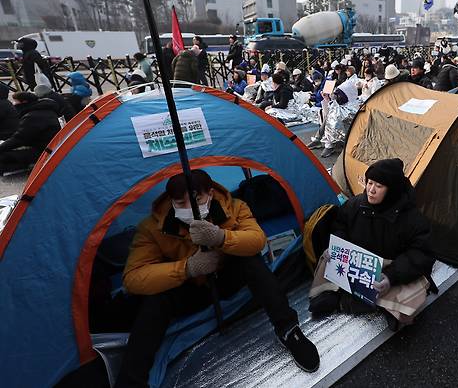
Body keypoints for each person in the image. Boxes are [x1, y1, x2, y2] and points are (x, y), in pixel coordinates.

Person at [115, 169, 319, 386]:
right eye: (179, 202)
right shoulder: (153, 227)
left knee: (250, 260)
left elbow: (257, 240)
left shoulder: (235, 207)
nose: (188, 208)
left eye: (195, 199)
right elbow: (132, 278)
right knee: (155, 301)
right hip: (189, 289)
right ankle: (131, 380)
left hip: (227, 279)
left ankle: (288, 329)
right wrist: (187, 268)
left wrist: (222, 237)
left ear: (210, 194)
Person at [308, 158, 435, 329]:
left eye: (379, 186)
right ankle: (336, 296)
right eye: (369, 183)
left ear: (392, 190)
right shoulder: (355, 205)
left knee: (414, 289)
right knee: (327, 255)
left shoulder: (411, 218)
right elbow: (339, 226)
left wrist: (391, 277)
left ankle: (350, 301)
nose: (371, 190)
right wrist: (339, 247)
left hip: (389, 267)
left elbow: (421, 253)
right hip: (358, 262)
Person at [0, 92, 60, 174]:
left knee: (3, 156)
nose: (14, 104)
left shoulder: (33, 116)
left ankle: (28, 166)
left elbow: (19, 139)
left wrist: (2, 147)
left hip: (42, 151)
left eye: (15, 102)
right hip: (49, 148)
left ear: (24, 102)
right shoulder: (45, 111)